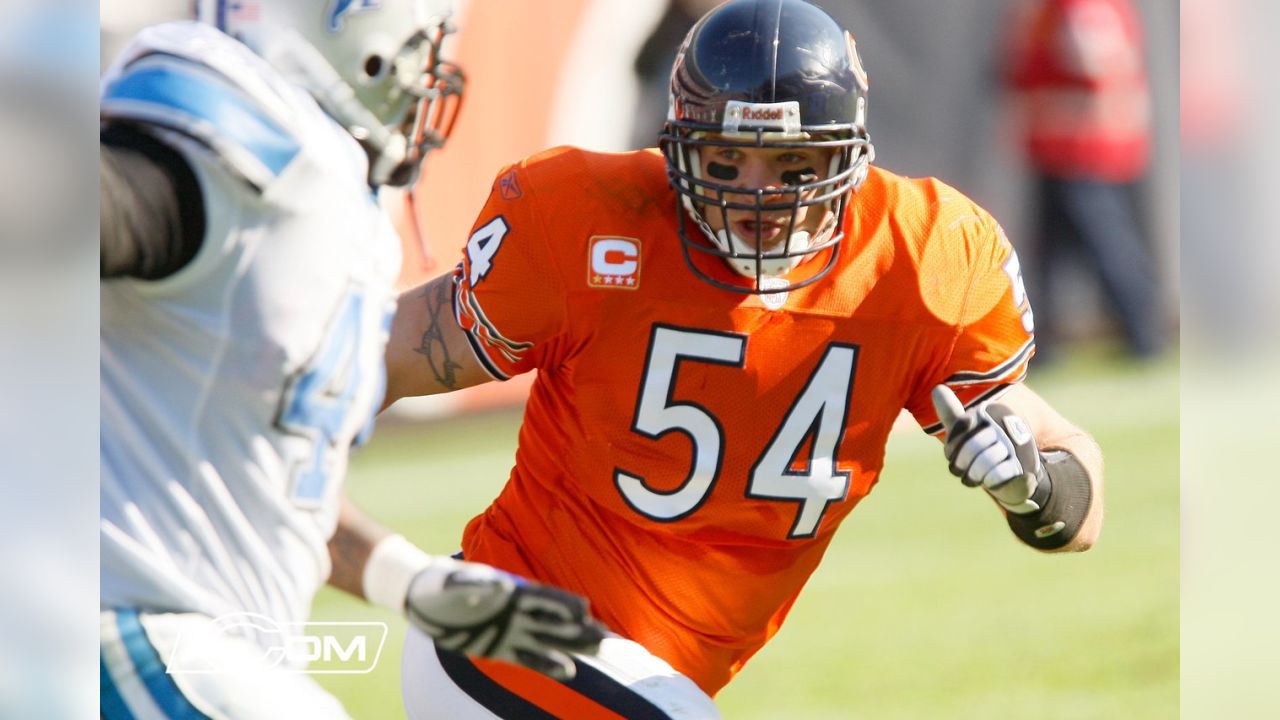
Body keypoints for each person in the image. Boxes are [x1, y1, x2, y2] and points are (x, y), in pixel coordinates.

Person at [384, 0, 1104, 717]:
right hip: (502, 633)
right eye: (724, 162)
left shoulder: (924, 257)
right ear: (678, 150)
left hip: (641, 677)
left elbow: (1080, 502)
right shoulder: (587, 218)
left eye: (793, 164)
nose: (756, 196)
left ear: (848, 157)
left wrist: (1035, 485)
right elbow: (379, 357)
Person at [99, 2, 603, 718]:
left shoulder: (318, 198)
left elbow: (261, 487)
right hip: (117, 625)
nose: (425, 83)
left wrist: (411, 582)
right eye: (418, 52)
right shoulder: (245, 125)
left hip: (196, 640)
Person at [1003, 0, 1163, 361]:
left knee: (1107, 246)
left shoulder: (1080, 6)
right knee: (1048, 254)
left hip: (1083, 147)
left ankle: (1144, 334)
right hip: (1064, 147)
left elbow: (1095, 62)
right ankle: (1041, 344)